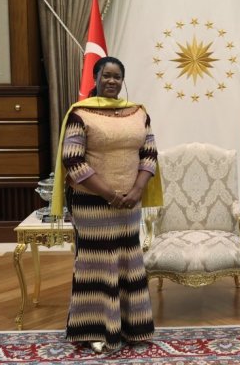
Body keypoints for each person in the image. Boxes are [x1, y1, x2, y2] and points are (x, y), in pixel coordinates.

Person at [49, 56, 162, 353]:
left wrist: (136, 190)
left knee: (128, 262)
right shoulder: (80, 113)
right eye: (106, 75)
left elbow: (149, 154)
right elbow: (72, 160)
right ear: (95, 78)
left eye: (117, 76)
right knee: (96, 265)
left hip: (129, 204)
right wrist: (110, 194)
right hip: (92, 204)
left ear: (123, 80)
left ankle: (131, 326)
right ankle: (95, 329)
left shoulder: (138, 113)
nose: (112, 81)